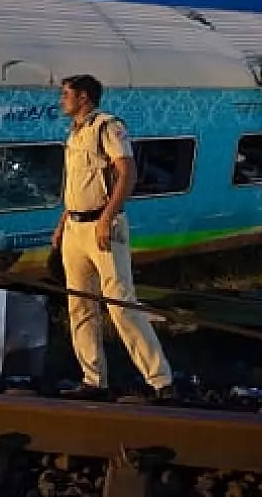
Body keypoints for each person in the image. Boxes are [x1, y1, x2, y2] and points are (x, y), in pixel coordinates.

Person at [52, 74, 174, 403]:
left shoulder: (107, 127)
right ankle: (93, 380)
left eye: (67, 94)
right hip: (76, 227)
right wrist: (63, 221)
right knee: (80, 306)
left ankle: (161, 381)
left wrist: (106, 219)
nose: (62, 100)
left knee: (121, 305)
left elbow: (127, 173)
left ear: (85, 98)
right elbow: (80, 184)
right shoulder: (75, 132)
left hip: (102, 227)